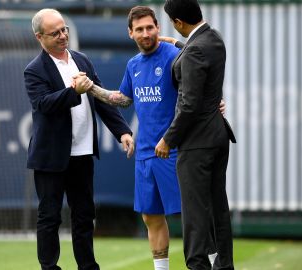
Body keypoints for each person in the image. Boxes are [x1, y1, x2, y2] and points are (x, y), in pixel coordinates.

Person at [74, 6, 221, 270]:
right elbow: (123, 99)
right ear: (130, 33)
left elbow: (198, 87)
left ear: (158, 28)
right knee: (151, 217)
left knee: (193, 216)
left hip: (175, 150)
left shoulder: (175, 55)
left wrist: (214, 104)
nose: (146, 33)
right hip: (145, 153)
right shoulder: (133, 65)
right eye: (139, 29)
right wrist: (92, 89)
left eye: (150, 27)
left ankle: (215, 264)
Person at [23, 8, 134, 270]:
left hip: (82, 153)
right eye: (55, 33)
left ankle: (87, 266)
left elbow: (103, 100)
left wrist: (123, 131)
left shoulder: (82, 60)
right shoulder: (34, 70)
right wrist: (73, 91)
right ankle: (49, 267)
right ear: (40, 38)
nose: (63, 36)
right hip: (51, 157)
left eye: (65, 30)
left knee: (84, 215)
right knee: (49, 217)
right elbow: (44, 104)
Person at [155, 0, 237, 269]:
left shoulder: (193, 52)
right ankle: (224, 265)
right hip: (218, 136)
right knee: (217, 208)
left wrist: (168, 139)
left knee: (194, 213)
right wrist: (178, 44)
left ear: (179, 22)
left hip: (197, 142)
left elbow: (189, 105)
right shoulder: (214, 38)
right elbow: (198, 50)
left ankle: (197, 266)